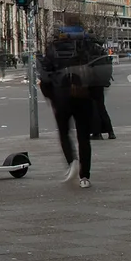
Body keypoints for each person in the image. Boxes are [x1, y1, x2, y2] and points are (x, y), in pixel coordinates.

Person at [39, 13, 100, 188]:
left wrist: (52, 96)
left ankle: (71, 161)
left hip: (61, 96)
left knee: (64, 133)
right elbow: (97, 70)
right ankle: (85, 176)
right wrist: (94, 95)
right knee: (84, 138)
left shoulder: (55, 45)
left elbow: (46, 74)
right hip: (83, 95)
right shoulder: (88, 44)